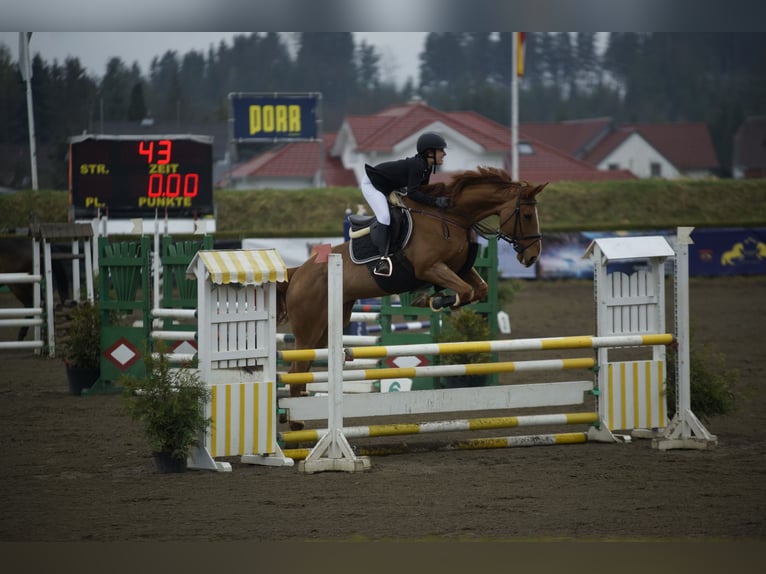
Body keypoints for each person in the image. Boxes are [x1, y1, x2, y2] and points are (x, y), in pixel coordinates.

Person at [361, 132, 449, 276]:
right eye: (441, 150)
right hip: (372, 184)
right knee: (384, 217)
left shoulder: (426, 168)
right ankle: (382, 260)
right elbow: (413, 194)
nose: (444, 154)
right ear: (429, 153)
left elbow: (422, 192)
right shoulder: (418, 166)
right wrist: (435, 202)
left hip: (389, 186)